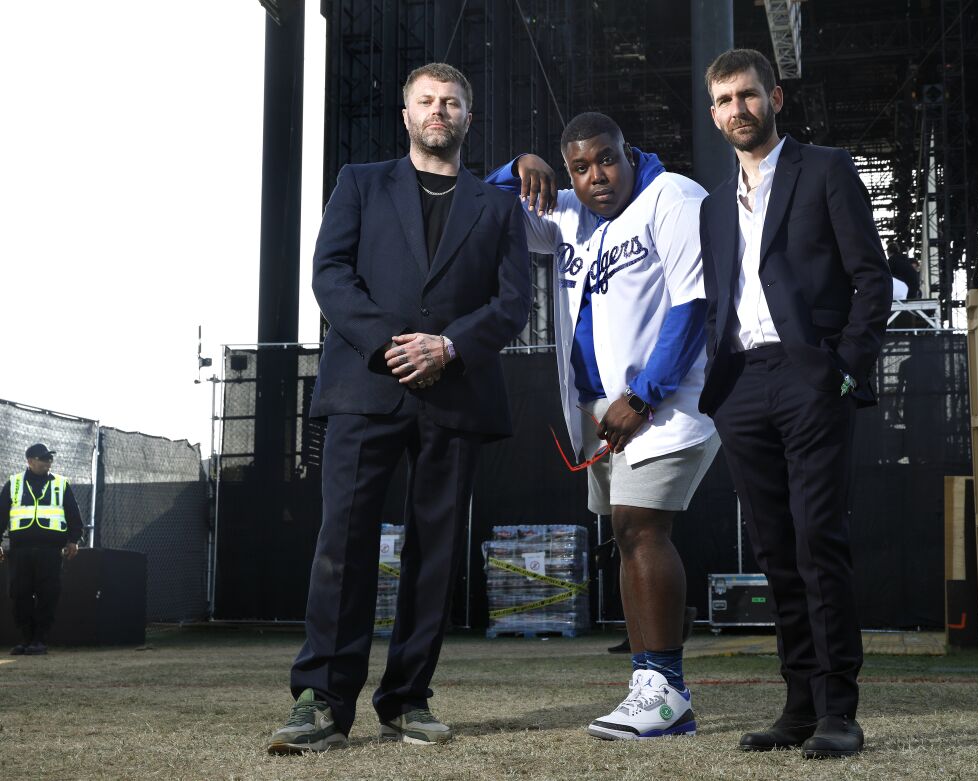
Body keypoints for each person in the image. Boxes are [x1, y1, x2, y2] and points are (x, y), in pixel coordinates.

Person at [267, 62, 531, 755]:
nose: (438, 110)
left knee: (435, 555)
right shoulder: (359, 182)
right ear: (406, 114)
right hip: (365, 388)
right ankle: (322, 699)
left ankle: (407, 698)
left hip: (456, 391)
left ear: (467, 119)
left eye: (451, 102)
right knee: (342, 546)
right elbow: (330, 273)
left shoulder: (498, 207)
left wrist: (449, 346)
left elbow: (513, 305)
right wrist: (391, 346)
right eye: (426, 100)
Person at [485, 111, 718, 740]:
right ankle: (649, 683)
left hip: (662, 405)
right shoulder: (565, 212)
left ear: (629, 152)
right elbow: (481, 209)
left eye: (607, 160)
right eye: (580, 168)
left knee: (643, 529)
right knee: (625, 532)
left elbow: (694, 302)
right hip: (598, 415)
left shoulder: (672, 197)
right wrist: (516, 170)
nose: (597, 177)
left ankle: (666, 688)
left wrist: (642, 397)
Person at [698, 49, 892, 758]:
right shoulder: (716, 205)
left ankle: (840, 708)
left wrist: (843, 371)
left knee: (819, 543)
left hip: (811, 376)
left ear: (773, 97)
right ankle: (800, 704)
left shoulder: (826, 169)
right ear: (713, 111)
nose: (735, 109)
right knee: (777, 551)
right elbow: (720, 300)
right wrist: (718, 389)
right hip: (742, 385)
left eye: (746, 95)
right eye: (722, 100)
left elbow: (872, 279)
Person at [1, 443, 83, 655]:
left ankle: (39, 640)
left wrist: (74, 540)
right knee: (20, 594)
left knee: (48, 594)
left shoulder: (61, 484)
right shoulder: (14, 483)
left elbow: (73, 514)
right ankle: (26, 639)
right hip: (20, 551)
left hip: (50, 551)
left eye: (49, 459)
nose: (48, 462)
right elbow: (1, 515)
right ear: (29, 461)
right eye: (43, 458)